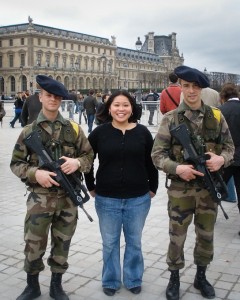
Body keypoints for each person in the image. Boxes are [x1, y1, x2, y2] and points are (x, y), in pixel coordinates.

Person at [151, 66, 234, 300]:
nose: (190, 91)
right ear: (180, 88)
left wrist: (221, 159)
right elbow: (157, 154)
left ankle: (201, 275)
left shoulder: (216, 116)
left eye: (195, 86)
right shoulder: (171, 118)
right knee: (177, 235)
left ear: (201, 88)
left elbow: (229, 147)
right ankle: (174, 278)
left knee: (206, 234)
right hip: (181, 190)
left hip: (209, 190)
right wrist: (176, 168)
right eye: (186, 86)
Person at [10, 75, 94, 300]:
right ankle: (32, 285)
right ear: (41, 97)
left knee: (62, 241)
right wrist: (34, 173)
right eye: (49, 95)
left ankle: (56, 284)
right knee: (34, 242)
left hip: (68, 198)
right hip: (40, 198)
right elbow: (16, 163)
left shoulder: (73, 129)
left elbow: (89, 155)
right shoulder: (29, 132)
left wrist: (78, 163)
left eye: (57, 97)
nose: (53, 100)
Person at [84, 90, 158, 296]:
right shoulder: (99, 133)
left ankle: (133, 277)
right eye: (116, 105)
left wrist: (153, 187)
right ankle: (110, 279)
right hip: (107, 198)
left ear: (132, 108)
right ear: (109, 108)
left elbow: (151, 162)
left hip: (138, 198)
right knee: (110, 242)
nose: (121, 109)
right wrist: (90, 186)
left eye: (125, 105)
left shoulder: (143, 132)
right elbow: (87, 162)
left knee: (134, 241)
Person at [219, 83, 240, 215]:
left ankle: (210, 219)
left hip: (224, 157)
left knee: (216, 189)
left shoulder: (218, 111)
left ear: (223, 96)